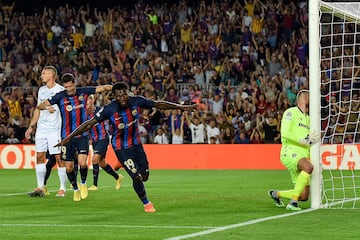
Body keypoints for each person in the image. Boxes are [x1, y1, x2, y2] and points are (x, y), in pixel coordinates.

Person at [55, 82, 197, 212]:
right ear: (115, 97)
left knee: (145, 176)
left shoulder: (137, 101)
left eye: (124, 94)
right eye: (118, 96)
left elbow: (158, 104)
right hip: (121, 148)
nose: (122, 98)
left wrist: (182, 107)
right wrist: (69, 137)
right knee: (136, 177)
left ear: (127, 93)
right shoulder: (109, 109)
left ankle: (121, 165)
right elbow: (88, 124)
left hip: (137, 145)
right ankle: (147, 203)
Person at [37, 73, 113, 202]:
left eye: (71, 86)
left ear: (74, 83)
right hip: (66, 137)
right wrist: (47, 106)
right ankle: (75, 189)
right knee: (69, 167)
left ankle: (83, 183)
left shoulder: (83, 92)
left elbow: (102, 88)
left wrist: (114, 87)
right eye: (66, 87)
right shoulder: (60, 96)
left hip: (82, 135)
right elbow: (40, 105)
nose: (69, 89)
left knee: (83, 163)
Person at [268, 90, 320, 211]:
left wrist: (311, 140)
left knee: (304, 196)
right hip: (289, 151)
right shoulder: (291, 112)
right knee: (309, 167)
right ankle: (292, 203)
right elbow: (285, 133)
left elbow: (309, 139)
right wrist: (302, 140)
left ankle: (276, 194)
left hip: (303, 154)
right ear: (305, 97)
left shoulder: (309, 118)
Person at [26, 66, 67, 197]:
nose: (41, 75)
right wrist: (31, 126)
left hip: (55, 129)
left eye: (43, 73)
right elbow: (38, 109)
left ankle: (62, 188)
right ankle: (40, 187)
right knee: (39, 157)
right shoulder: (41, 90)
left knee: (58, 158)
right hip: (41, 129)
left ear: (51, 75)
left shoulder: (61, 90)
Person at [86, 94, 124, 191]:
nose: (87, 103)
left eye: (89, 100)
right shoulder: (84, 114)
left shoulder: (99, 110)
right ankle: (118, 177)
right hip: (94, 140)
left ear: (92, 101)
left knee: (95, 159)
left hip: (103, 138)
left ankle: (95, 185)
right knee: (102, 163)